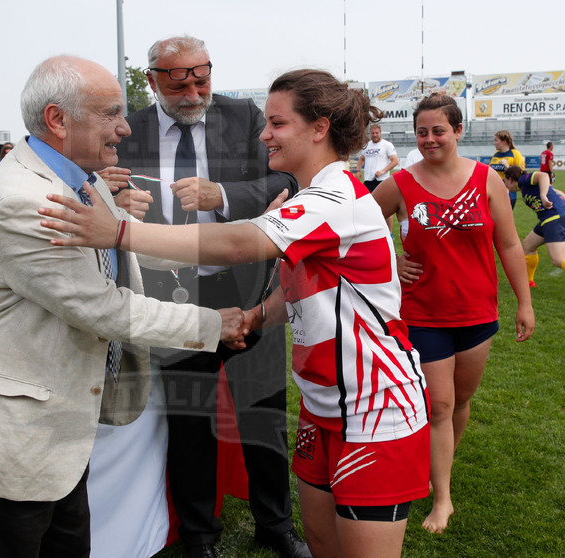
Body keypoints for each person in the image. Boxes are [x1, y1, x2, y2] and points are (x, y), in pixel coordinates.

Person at [40, 68, 432, 558]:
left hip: (375, 407)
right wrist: (256, 317)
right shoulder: (311, 197)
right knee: (323, 545)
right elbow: (300, 287)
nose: (264, 135)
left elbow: (239, 243)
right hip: (323, 405)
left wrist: (119, 232)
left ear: (319, 128)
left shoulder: (336, 197)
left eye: (277, 123)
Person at [0, 55, 246, 558]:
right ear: (57, 119)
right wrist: (212, 324)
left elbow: (133, 249)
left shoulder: (83, 182)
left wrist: (251, 239)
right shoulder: (25, 199)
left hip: (55, 440)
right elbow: (103, 308)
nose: (124, 128)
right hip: (14, 444)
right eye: (110, 113)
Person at [99, 35, 304, 558]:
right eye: (179, 83)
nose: (193, 92)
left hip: (247, 286)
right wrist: (116, 199)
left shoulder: (243, 116)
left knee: (262, 410)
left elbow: (285, 178)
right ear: (152, 81)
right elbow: (98, 190)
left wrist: (225, 195)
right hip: (172, 293)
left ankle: (275, 523)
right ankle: (198, 534)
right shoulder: (130, 129)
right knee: (190, 421)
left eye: (202, 78)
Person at [371, 93, 534, 534]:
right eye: (421, 132)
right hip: (423, 313)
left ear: (458, 131)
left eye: (438, 130)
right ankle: (442, 498)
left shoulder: (486, 180)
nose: (429, 139)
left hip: (477, 311)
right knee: (439, 404)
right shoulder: (401, 183)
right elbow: (361, 223)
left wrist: (524, 302)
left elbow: (509, 244)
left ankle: (438, 465)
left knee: (460, 401)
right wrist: (391, 255)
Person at [504, 165, 565, 287]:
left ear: (510, 179)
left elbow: (543, 175)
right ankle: (528, 282)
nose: (505, 184)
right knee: (528, 245)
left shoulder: (523, 180)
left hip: (553, 218)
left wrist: (543, 196)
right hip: (548, 219)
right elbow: (560, 193)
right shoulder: (524, 187)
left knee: (557, 259)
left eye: (505, 181)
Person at [355, 124, 398, 192]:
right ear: (370, 134)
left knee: (382, 199)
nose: (375, 135)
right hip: (368, 180)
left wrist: (383, 171)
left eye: (376, 133)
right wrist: (358, 171)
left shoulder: (387, 145)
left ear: (380, 133)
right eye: (373, 133)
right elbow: (361, 159)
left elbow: (395, 161)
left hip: (381, 179)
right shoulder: (367, 145)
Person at [489, 129, 524, 209]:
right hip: (495, 191)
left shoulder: (516, 154)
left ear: (504, 141)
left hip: (509, 192)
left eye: (496, 140)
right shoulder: (496, 154)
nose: (494, 143)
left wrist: (507, 167)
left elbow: (520, 175)